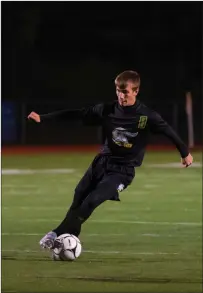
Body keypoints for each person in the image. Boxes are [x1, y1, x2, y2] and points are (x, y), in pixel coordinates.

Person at [28, 70, 193, 250]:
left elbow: (168, 131)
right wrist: (43, 118)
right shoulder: (107, 110)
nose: (121, 96)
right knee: (79, 196)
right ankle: (70, 238)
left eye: (125, 92)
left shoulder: (146, 116)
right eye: (118, 91)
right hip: (101, 163)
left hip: (122, 171)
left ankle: (56, 233)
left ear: (136, 91)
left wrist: (185, 152)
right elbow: (77, 114)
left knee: (93, 200)